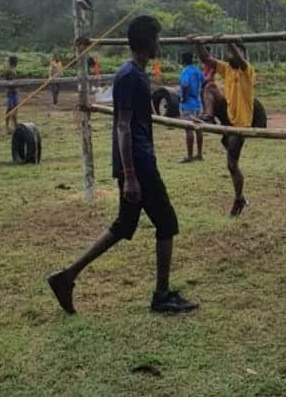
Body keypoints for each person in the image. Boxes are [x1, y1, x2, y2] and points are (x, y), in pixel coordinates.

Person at [46, 16, 197, 315]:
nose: (160, 44)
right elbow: (123, 127)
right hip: (138, 164)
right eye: (157, 38)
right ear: (147, 42)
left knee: (124, 225)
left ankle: (66, 277)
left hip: (138, 161)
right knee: (167, 223)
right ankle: (161, 296)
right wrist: (129, 176)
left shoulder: (137, 74)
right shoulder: (129, 76)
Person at [195, 40, 256, 217]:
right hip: (226, 115)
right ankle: (208, 116)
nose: (230, 55)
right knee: (211, 86)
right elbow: (206, 58)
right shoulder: (226, 68)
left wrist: (228, 42)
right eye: (227, 53)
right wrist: (197, 42)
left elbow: (238, 57)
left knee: (231, 165)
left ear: (243, 55)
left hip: (240, 124)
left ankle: (239, 198)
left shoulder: (247, 70)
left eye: (234, 52)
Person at [178, 52, 204, 163]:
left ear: (182, 61)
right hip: (198, 103)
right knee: (198, 129)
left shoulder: (185, 71)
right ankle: (199, 154)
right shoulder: (198, 70)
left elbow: (184, 84)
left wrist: (183, 97)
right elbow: (204, 81)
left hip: (188, 104)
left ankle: (189, 156)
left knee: (189, 129)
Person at [2, 55, 20, 132]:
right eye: (16, 61)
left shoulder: (13, 69)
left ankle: (12, 125)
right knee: (12, 109)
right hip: (10, 92)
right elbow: (7, 78)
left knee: (12, 108)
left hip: (14, 92)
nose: (17, 63)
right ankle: (11, 126)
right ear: (14, 62)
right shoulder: (8, 70)